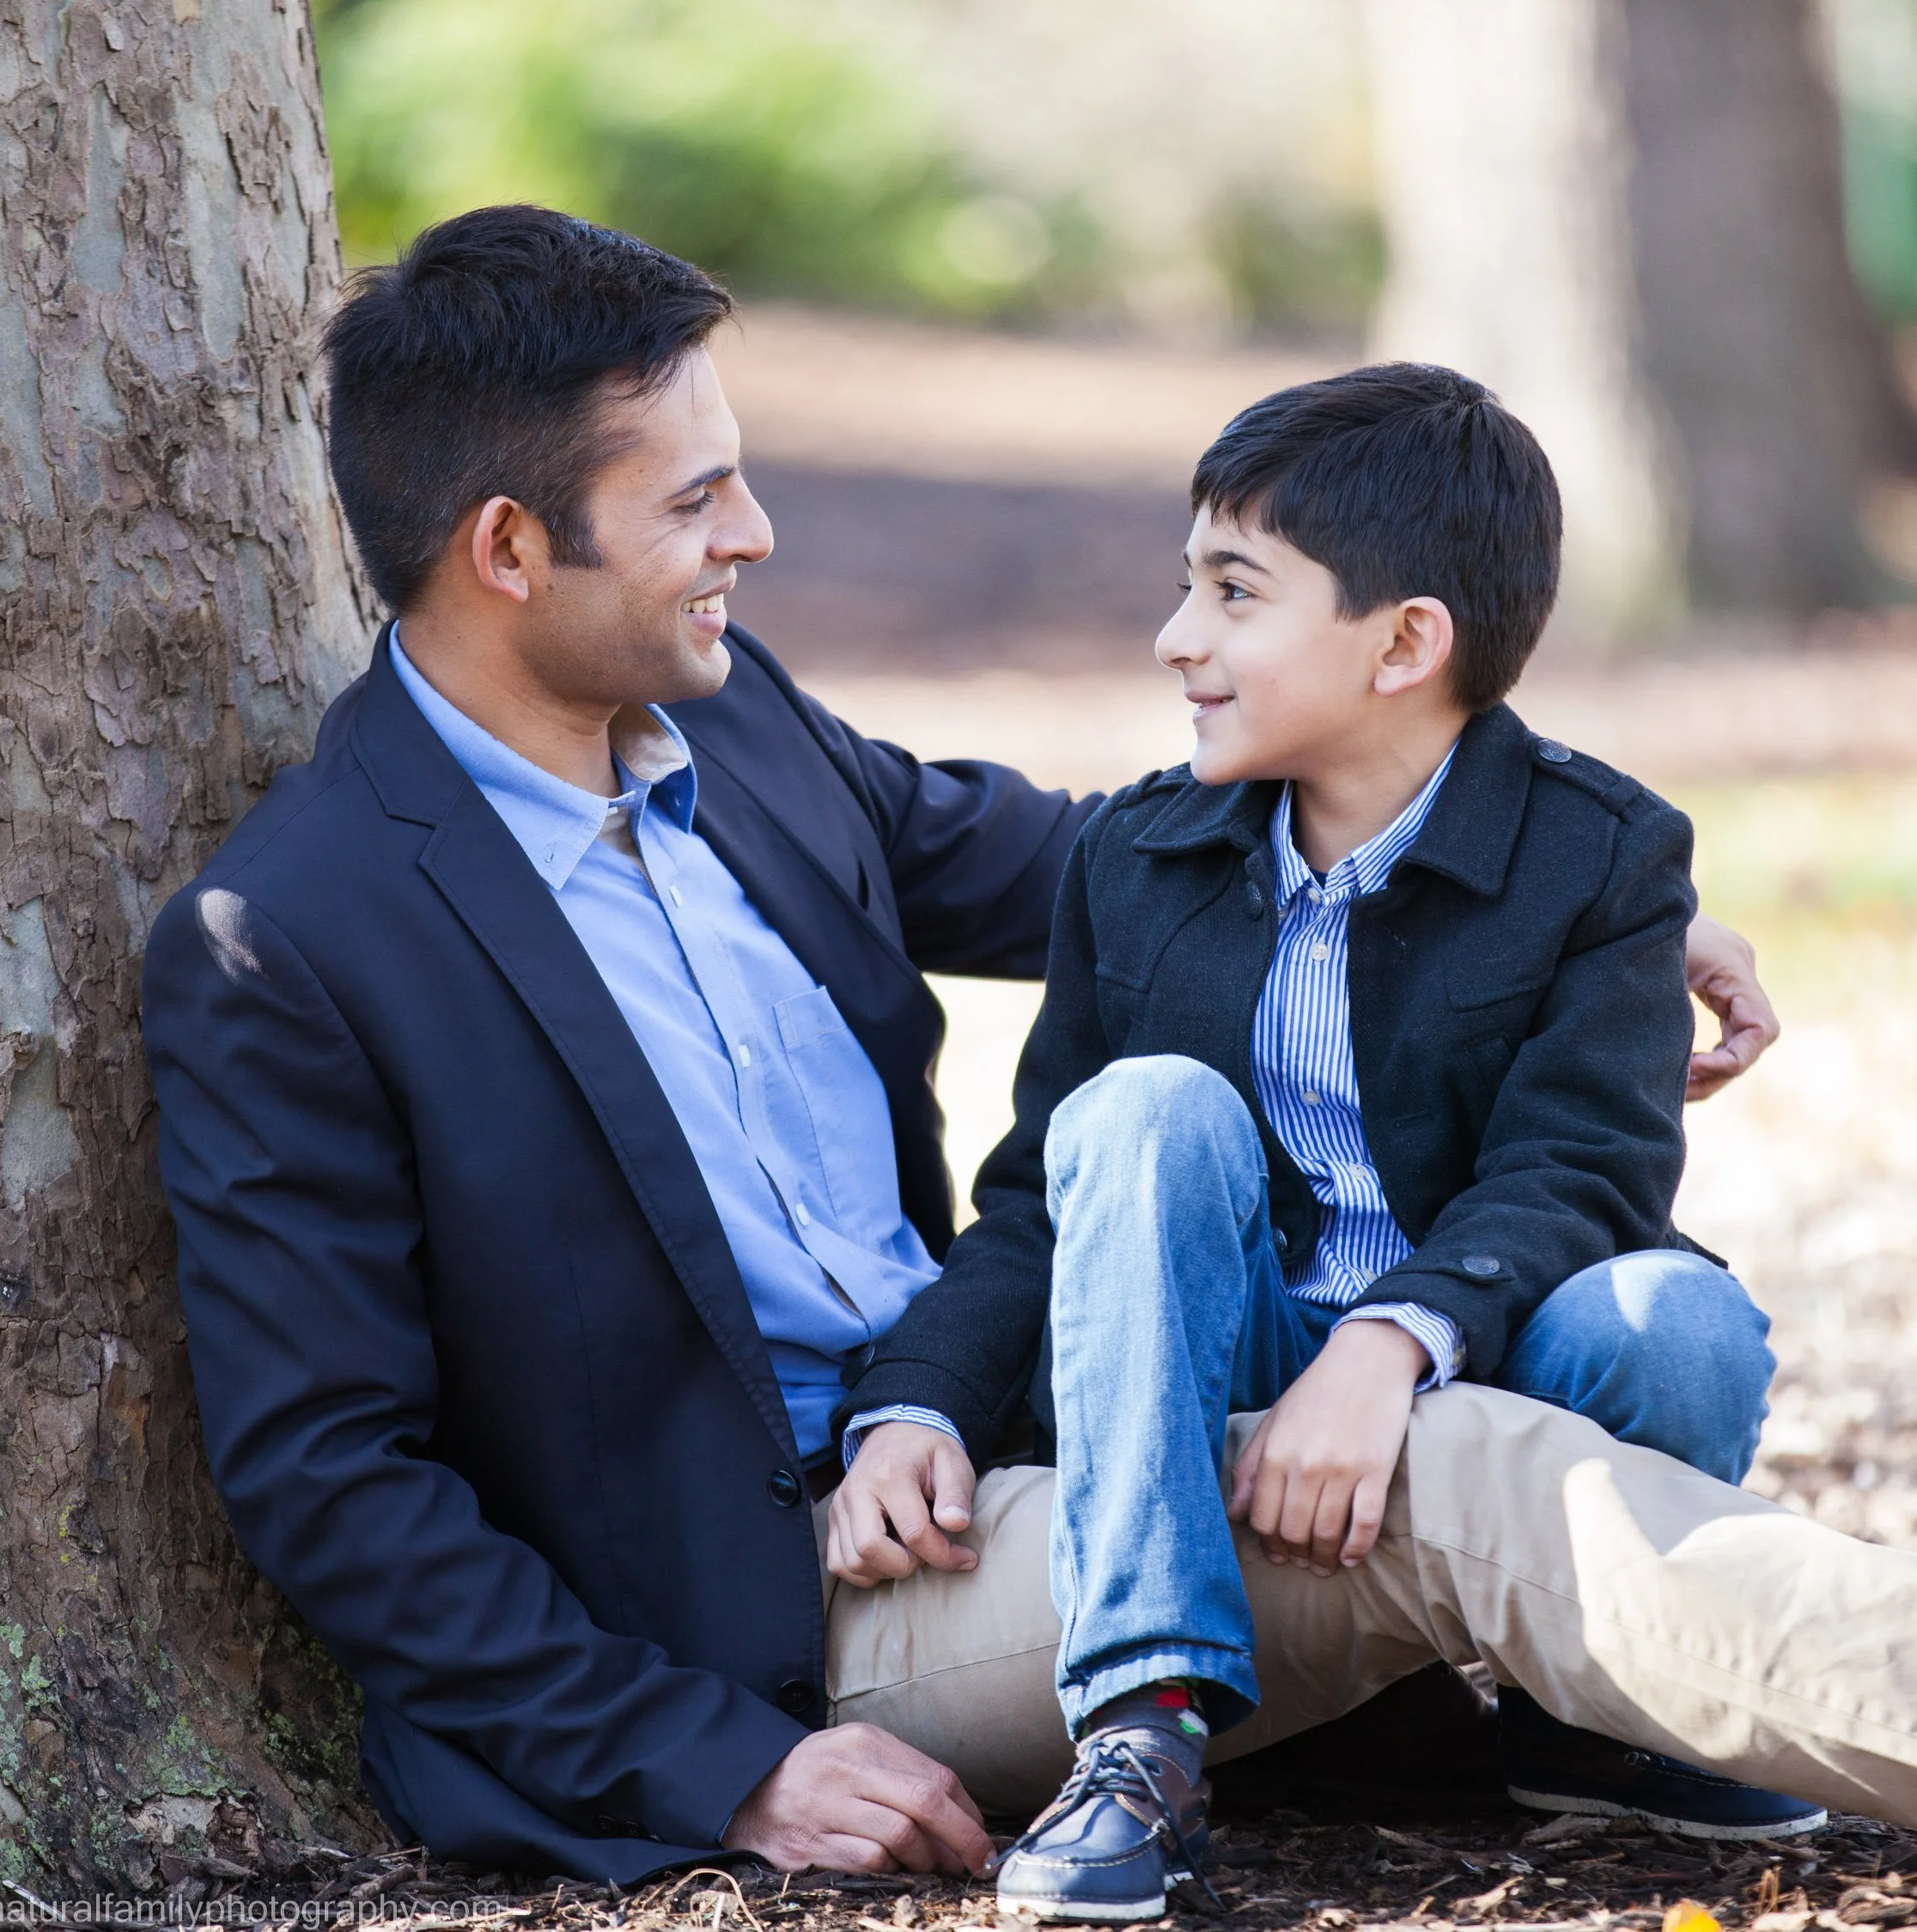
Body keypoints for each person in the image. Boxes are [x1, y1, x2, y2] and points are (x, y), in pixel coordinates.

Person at [142, 207, 1790, 1886]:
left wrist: (1574, 905)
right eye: (697, 499)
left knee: (1649, 1337)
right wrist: (722, 1766)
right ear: (508, 549)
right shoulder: (292, 941)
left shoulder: (737, 716)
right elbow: (330, 1476)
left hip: (1025, 1426)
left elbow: (1106, 862)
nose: (757, 533)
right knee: (1470, 1485)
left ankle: (1633, 1725)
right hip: (819, 1585)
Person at [827, 368, 1847, 1920]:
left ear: (1405, 644)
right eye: (1186, 586)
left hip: (1464, 1352)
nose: (1178, 636)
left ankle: (1594, 1723)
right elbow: (1046, 1192)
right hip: (1211, 1365)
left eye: (1232, 593)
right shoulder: (1140, 853)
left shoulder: (1602, 853)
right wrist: (916, 1401)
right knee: (1145, 1108)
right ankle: (1142, 1728)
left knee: (1673, 1319)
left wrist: (1389, 1344)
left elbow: (1580, 1171)